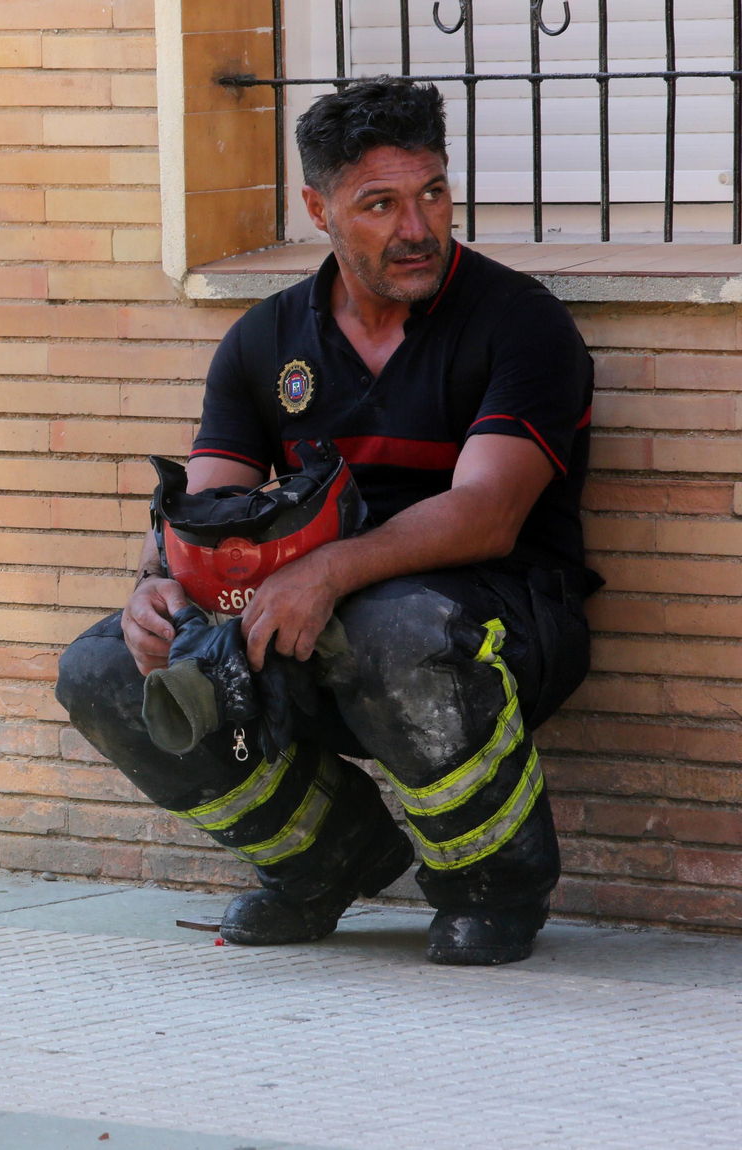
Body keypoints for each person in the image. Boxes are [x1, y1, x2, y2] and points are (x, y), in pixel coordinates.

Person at [56, 77, 598, 966]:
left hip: (497, 622)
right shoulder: (263, 342)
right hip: (309, 624)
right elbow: (205, 512)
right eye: (380, 204)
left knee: (394, 628)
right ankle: (323, 862)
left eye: (432, 193)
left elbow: (488, 514)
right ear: (319, 208)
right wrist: (156, 587)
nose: (417, 227)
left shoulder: (520, 322)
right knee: (104, 671)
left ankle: (494, 886)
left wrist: (329, 571)